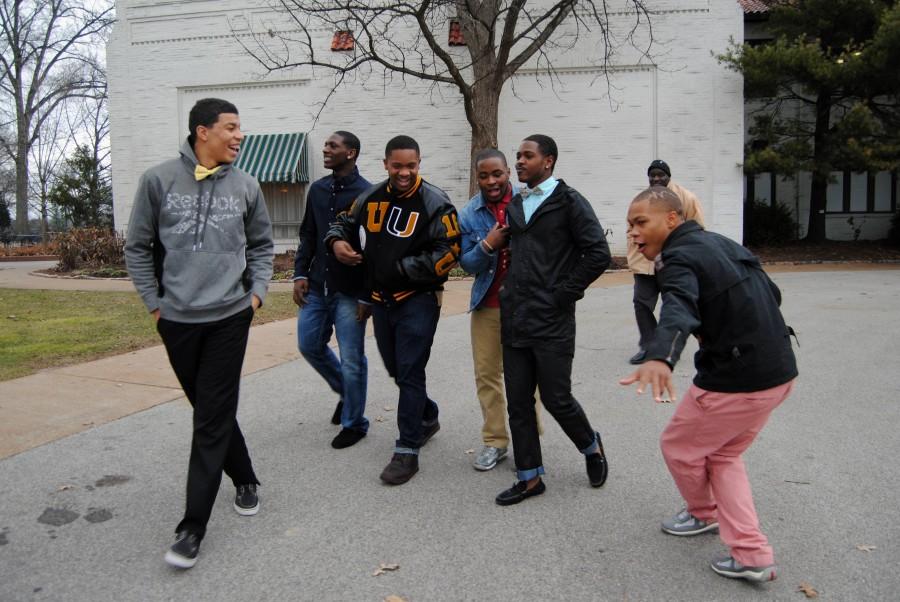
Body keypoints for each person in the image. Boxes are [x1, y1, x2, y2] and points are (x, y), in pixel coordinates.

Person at [124, 98, 274, 569]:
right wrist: (154, 304)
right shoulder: (157, 180)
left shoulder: (248, 185)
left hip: (230, 317)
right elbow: (137, 247)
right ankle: (246, 477)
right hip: (177, 321)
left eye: (240, 128)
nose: (239, 136)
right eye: (231, 127)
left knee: (210, 417)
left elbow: (263, 246)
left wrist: (255, 297)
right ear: (201, 131)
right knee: (210, 408)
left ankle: (191, 528)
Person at [620, 186, 797, 583]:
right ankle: (751, 553)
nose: (632, 233)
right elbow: (772, 292)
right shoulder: (719, 243)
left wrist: (659, 356)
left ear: (672, 219)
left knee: (679, 447)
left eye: (640, 222)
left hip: (736, 382)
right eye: (629, 225)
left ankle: (704, 514)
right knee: (722, 455)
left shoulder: (678, 257)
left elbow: (678, 308)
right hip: (779, 373)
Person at [326, 135, 461, 485]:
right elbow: (342, 222)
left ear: (419, 164)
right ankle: (426, 415)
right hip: (382, 302)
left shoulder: (435, 202)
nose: (404, 172)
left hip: (418, 300)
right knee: (397, 370)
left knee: (411, 370)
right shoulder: (370, 197)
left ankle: (407, 450)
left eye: (411, 166)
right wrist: (338, 242)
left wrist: (399, 270)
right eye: (397, 166)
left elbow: (450, 251)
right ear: (386, 164)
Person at [495, 134, 610, 506]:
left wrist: (563, 294)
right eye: (518, 156)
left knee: (557, 398)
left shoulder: (569, 202)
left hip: (552, 319)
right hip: (515, 316)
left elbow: (597, 254)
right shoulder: (515, 205)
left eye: (527, 156)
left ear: (549, 161)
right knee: (518, 402)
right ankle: (530, 477)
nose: (519, 162)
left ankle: (591, 445)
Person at [458, 149, 542, 471]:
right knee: (487, 375)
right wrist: (488, 244)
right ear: (477, 177)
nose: (491, 181)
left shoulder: (529, 202)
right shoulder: (469, 214)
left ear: (508, 172)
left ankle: (529, 439)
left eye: (497, 174)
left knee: (525, 376)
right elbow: (465, 264)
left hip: (525, 307)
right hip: (487, 306)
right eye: (484, 176)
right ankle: (495, 441)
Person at [293, 131, 371, 449]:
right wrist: (299, 274)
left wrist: (368, 293)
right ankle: (347, 392)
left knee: (352, 358)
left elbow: (373, 248)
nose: (325, 150)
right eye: (326, 145)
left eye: (332, 146)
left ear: (350, 153)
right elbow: (308, 235)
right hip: (316, 285)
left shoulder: (367, 193)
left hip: (350, 291)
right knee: (309, 344)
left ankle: (355, 423)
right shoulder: (317, 190)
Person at [627, 159, 705, 364]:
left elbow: (697, 228)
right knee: (641, 303)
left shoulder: (686, 197)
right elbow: (632, 227)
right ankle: (648, 346)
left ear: (669, 176)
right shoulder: (642, 199)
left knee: (683, 303)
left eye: (661, 174)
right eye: (652, 175)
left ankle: (705, 342)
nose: (656, 178)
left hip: (676, 261)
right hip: (646, 263)